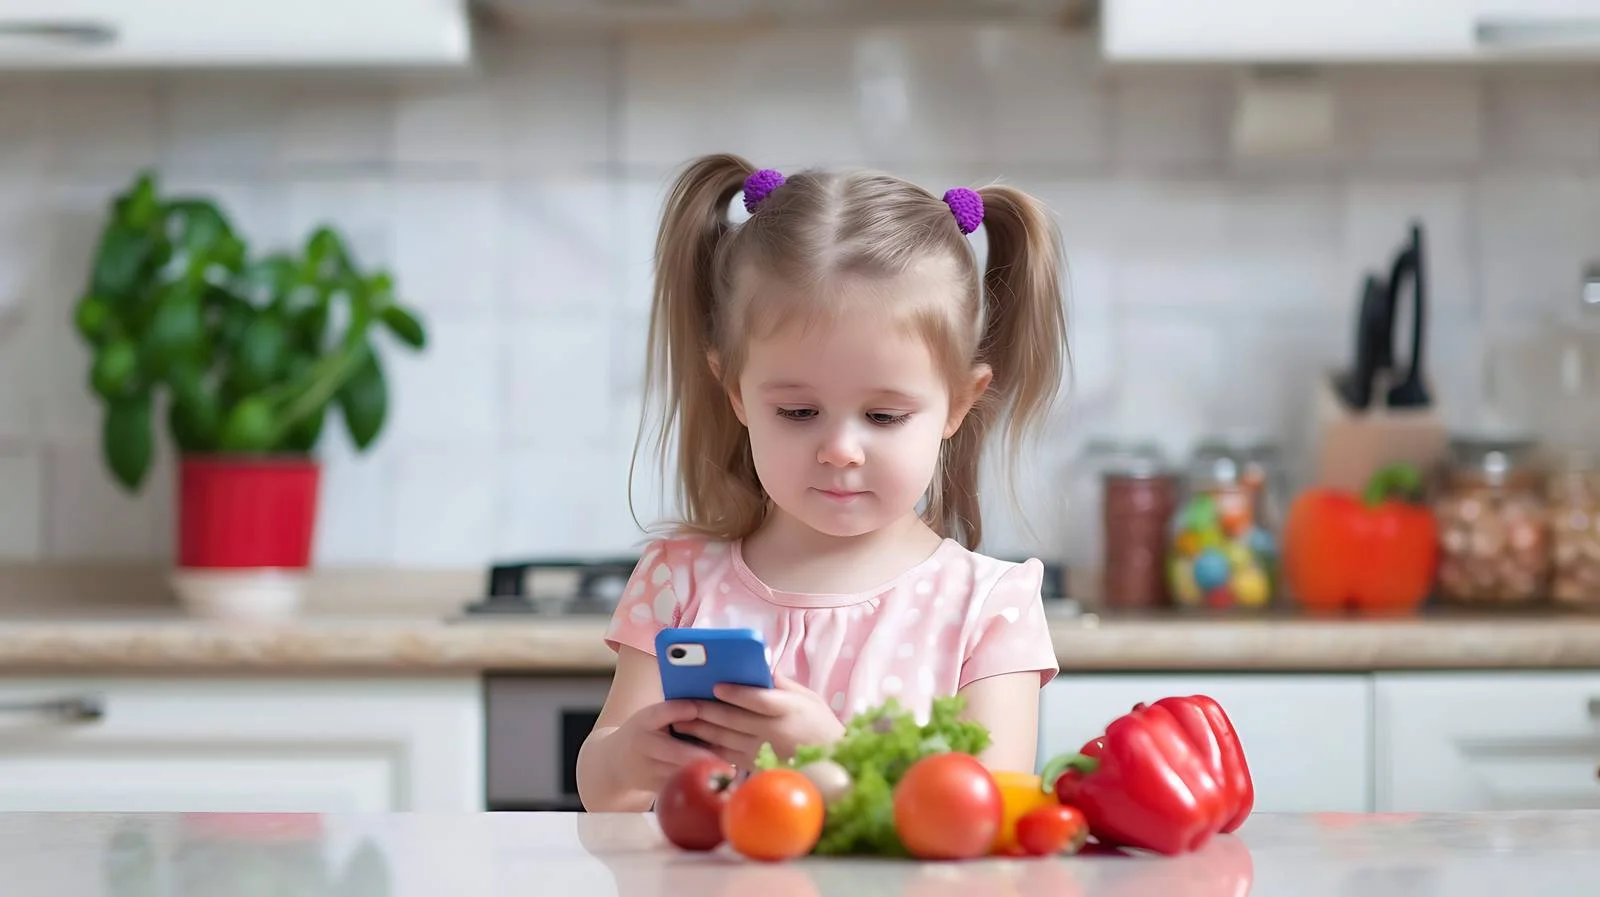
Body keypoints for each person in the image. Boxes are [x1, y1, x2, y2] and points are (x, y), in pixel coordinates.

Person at [576, 152, 1069, 814]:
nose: (839, 449)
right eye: (799, 412)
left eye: (884, 415)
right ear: (737, 394)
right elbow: (604, 790)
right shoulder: (678, 580)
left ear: (959, 402)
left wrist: (829, 760)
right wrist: (626, 755)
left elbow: (991, 816)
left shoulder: (991, 607)